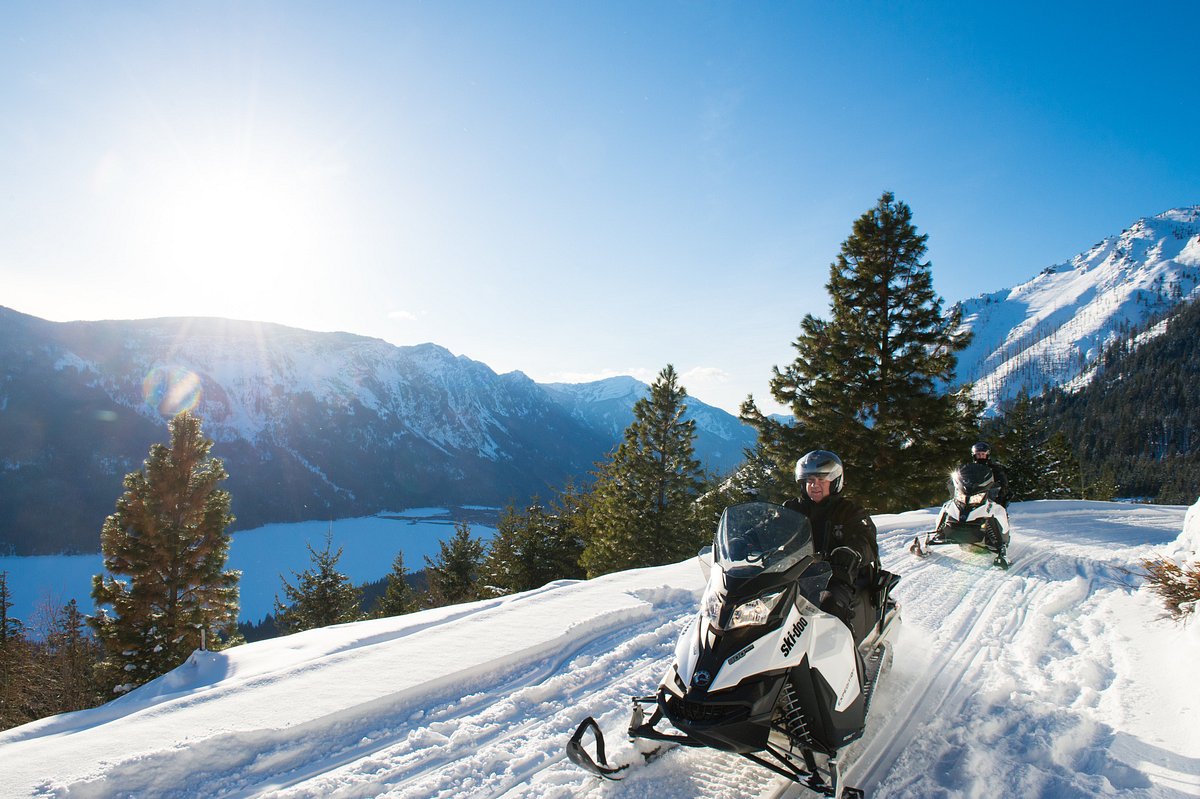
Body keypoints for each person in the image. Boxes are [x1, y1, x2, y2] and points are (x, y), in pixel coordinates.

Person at [783, 450, 880, 635]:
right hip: (793, 572)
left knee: (830, 606)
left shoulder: (849, 511)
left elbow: (867, 540)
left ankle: (846, 658)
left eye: (821, 480)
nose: (815, 485)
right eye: (810, 480)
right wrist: (747, 539)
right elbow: (770, 527)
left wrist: (851, 552)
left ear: (835, 481)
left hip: (836, 577)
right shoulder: (792, 509)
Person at [970, 441, 1010, 507]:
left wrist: (999, 491)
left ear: (987, 455)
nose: (981, 456)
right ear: (974, 455)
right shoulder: (970, 468)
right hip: (974, 496)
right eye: (978, 454)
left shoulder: (995, 468)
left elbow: (1003, 483)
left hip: (990, 497)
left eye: (983, 454)